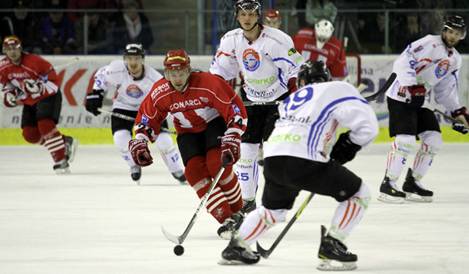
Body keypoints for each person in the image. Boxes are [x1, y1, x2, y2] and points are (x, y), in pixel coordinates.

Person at [219, 60, 378, 271]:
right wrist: (348, 145)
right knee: (359, 194)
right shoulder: (338, 88)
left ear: (302, 81)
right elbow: (368, 127)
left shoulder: (293, 99)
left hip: (274, 159)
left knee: (272, 211)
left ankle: (237, 247)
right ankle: (333, 244)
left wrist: (330, 149)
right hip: (303, 159)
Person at [128, 49, 248, 239]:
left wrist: (233, 133)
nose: (177, 78)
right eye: (172, 74)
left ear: (189, 70)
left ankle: (239, 211)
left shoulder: (208, 82)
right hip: (186, 131)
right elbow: (147, 118)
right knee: (193, 173)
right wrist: (141, 140)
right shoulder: (160, 92)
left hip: (213, 124)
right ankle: (227, 219)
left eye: (181, 73)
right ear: (166, 74)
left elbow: (233, 106)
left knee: (216, 164)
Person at [210, 0, 304, 214]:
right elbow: (221, 72)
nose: (247, 18)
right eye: (243, 14)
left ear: (258, 16)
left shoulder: (277, 40)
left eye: (251, 14)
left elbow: (296, 67)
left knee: (273, 156)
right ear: (237, 16)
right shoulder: (230, 40)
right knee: (245, 153)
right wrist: (216, 93)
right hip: (250, 101)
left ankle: (277, 202)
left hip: (276, 102)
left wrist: (294, 89)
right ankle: (248, 201)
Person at [378, 15, 469, 204]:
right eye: (450, 31)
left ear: (462, 36)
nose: (452, 36)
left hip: (420, 100)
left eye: (457, 34)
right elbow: (403, 61)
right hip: (401, 95)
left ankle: (412, 182)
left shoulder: (455, 60)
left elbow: (446, 90)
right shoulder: (429, 42)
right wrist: (412, 85)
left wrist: (457, 112)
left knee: (434, 139)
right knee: (405, 141)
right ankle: (388, 184)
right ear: (444, 30)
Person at [85, 43, 185, 184]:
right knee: (120, 138)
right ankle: (134, 165)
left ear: (142, 59)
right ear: (125, 59)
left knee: (164, 142)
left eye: (136, 58)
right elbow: (101, 74)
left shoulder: (154, 78)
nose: (133, 62)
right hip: (123, 107)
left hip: (148, 110)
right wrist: (96, 94)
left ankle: (177, 170)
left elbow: (168, 97)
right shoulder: (116, 69)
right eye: (129, 58)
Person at [0, 35, 78, 173]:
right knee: (30, 135)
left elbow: (54, 84)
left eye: (15, 48)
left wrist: (39, 88)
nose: (12, 52)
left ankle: (61, 161)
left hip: (48, 96)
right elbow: (6, 86)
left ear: (20, 49)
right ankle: (63, 141)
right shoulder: (3, 67)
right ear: (4, 51)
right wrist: (9, 96)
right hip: (29, 101)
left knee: (45, 124)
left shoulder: (35, 62)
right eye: (8, 49)